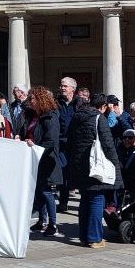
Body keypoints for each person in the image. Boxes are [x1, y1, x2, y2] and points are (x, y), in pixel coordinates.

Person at [66, 90, 120, 249]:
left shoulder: (76, 117)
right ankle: (95, 237)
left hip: (79, 165)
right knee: (97, 199)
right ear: (103, 106)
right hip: (96, 165)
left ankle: (84, 236)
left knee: (85, 199)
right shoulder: (99, 118)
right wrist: (116, 166)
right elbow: (108, 145)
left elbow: (69, 142)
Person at [18, 86, 62, 237]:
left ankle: (53, 224)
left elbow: (51, 141)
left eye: (32, 98)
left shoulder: (50, 117)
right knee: (38, 191)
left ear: (40, 99)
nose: (29, 101)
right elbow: (27, 132)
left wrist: (35, 146)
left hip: (46, 159)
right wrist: (20, 136)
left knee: (46, 191)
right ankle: (42, 221)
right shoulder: (32, 115)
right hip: (33, 158)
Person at [56, 77, 81, 213]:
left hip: (77, 144)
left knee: (78, 172)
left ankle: (82, 204)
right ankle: (63, 202)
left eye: (65, 86)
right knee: (63, 173)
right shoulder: (56, 103)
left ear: (73, 89)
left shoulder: (80, 103)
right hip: (61, 144)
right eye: (61, 86)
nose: (62, 88)